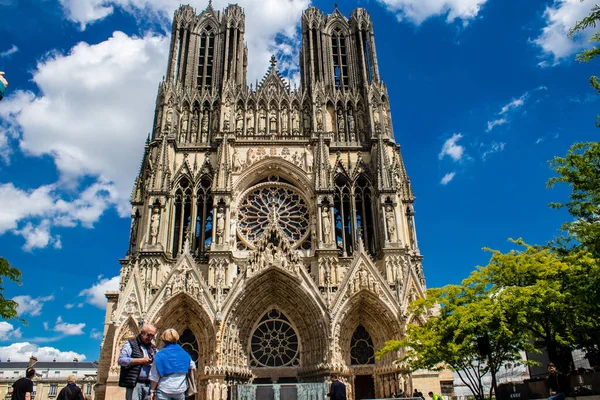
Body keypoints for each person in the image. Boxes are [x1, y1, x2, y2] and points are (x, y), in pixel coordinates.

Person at [150, 328, 195, 400]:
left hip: (164, 389)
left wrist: (152, 390)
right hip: (180, 389)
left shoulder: (159, 355)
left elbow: (154, 376)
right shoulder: (185, 354)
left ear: (163, 339)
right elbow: (193, 367)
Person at [118, 322, 158, 400]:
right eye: (149, 335)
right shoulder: (130, 344)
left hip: (149, 384)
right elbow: (121, 360)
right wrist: (141, 360)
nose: (150, 338)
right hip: (135, 383)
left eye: (152, 336)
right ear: (142, 333)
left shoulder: (153, 348)